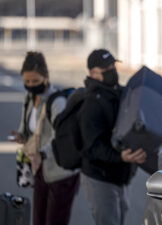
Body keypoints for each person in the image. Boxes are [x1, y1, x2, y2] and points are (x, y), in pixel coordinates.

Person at [79, 49, 147, 225]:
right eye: (106, 69)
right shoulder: (91, 103)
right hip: (100, 178)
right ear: (94, 73)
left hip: (121, 175)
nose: (112, 71)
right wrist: (119, 156)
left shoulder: (120, 92)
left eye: (113, 66)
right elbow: (92, 146)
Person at [11, 51, 79, 225]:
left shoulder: (57, 103)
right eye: (27, 82)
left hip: (61, 173)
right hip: (40, 169)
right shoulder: (29, 98)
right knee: (38, 220)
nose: (31, 85)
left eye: (35, 81)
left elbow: (62, 136)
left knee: (55, 221)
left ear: (46, 77)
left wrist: (43, 153)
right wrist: (21, 136)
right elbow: (28, 128)